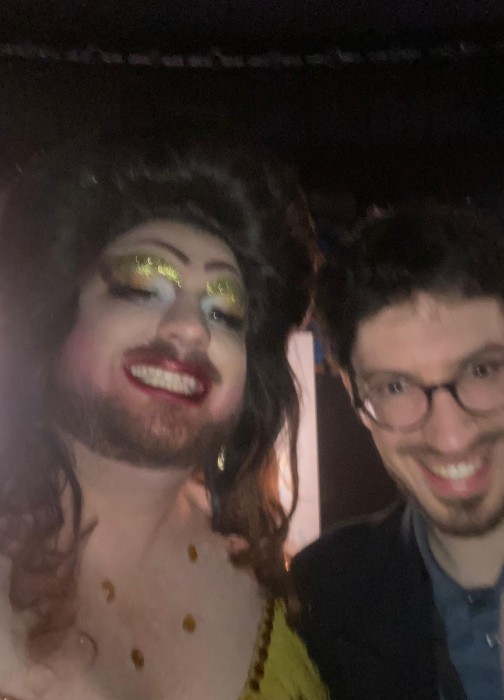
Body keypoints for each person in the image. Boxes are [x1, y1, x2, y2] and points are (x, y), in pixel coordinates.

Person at [0, 136, 327, 699]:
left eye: (225, 313)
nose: (192, 329)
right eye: (141, 288)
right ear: (55, 324)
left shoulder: (265, 573)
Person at [292, 204, 504, 700]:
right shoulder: (323, 592)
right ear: (356, 397)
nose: (450, 437)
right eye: (396, 387)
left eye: (480, 371)